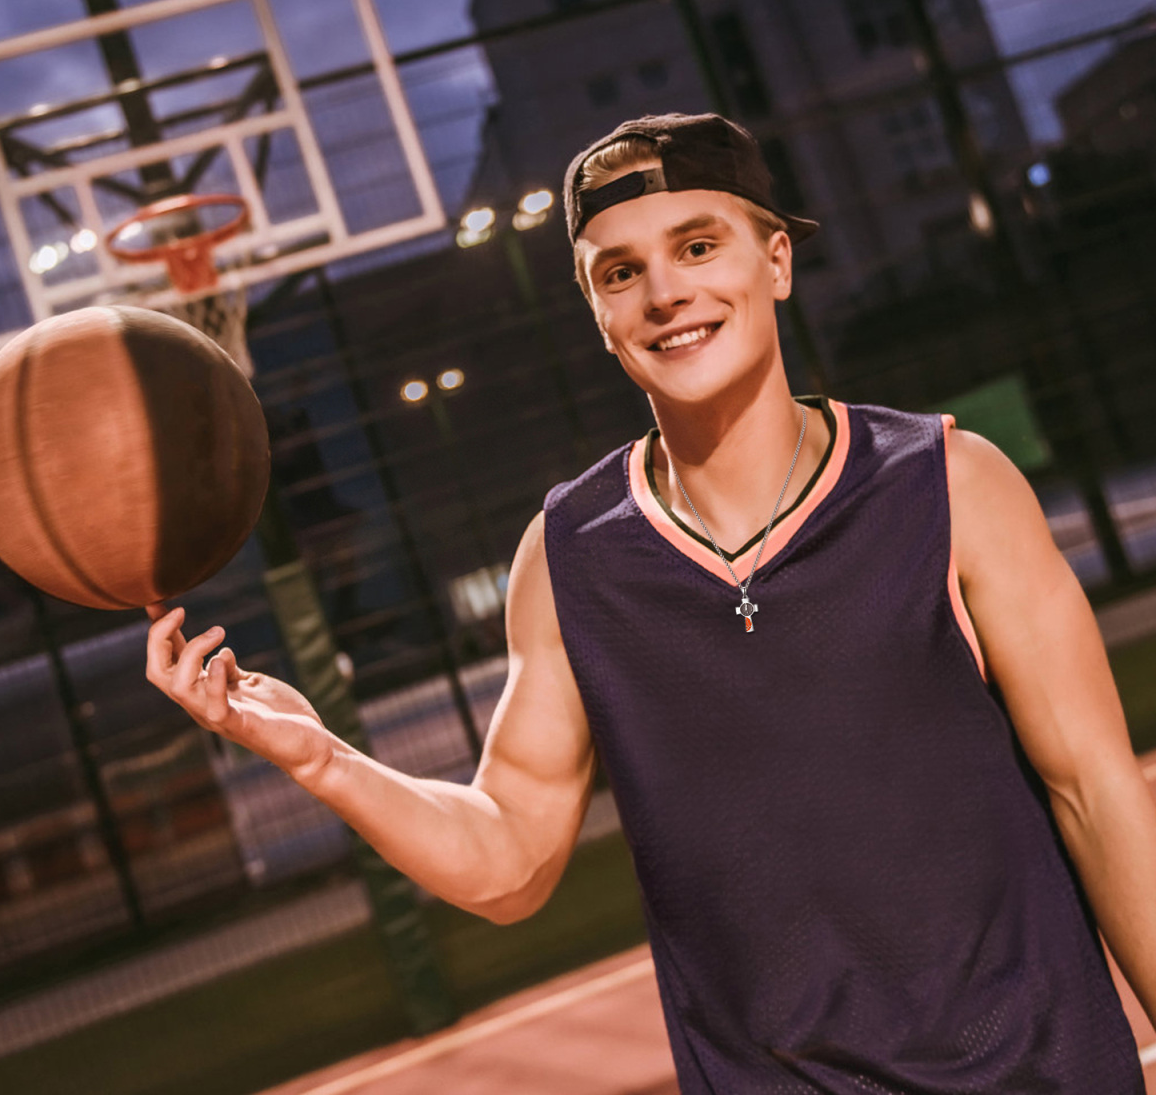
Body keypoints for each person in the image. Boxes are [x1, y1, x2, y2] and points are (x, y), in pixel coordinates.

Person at [146, 113, 1156, 1092]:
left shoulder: (948, 483)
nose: (666, 293)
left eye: (699, 245)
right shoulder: (572, 555)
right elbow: (511, 859)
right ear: (598, 314)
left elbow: (1098, 797)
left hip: (1037, 1069)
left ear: (776, 263)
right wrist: (323, 760)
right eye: (619, 272)